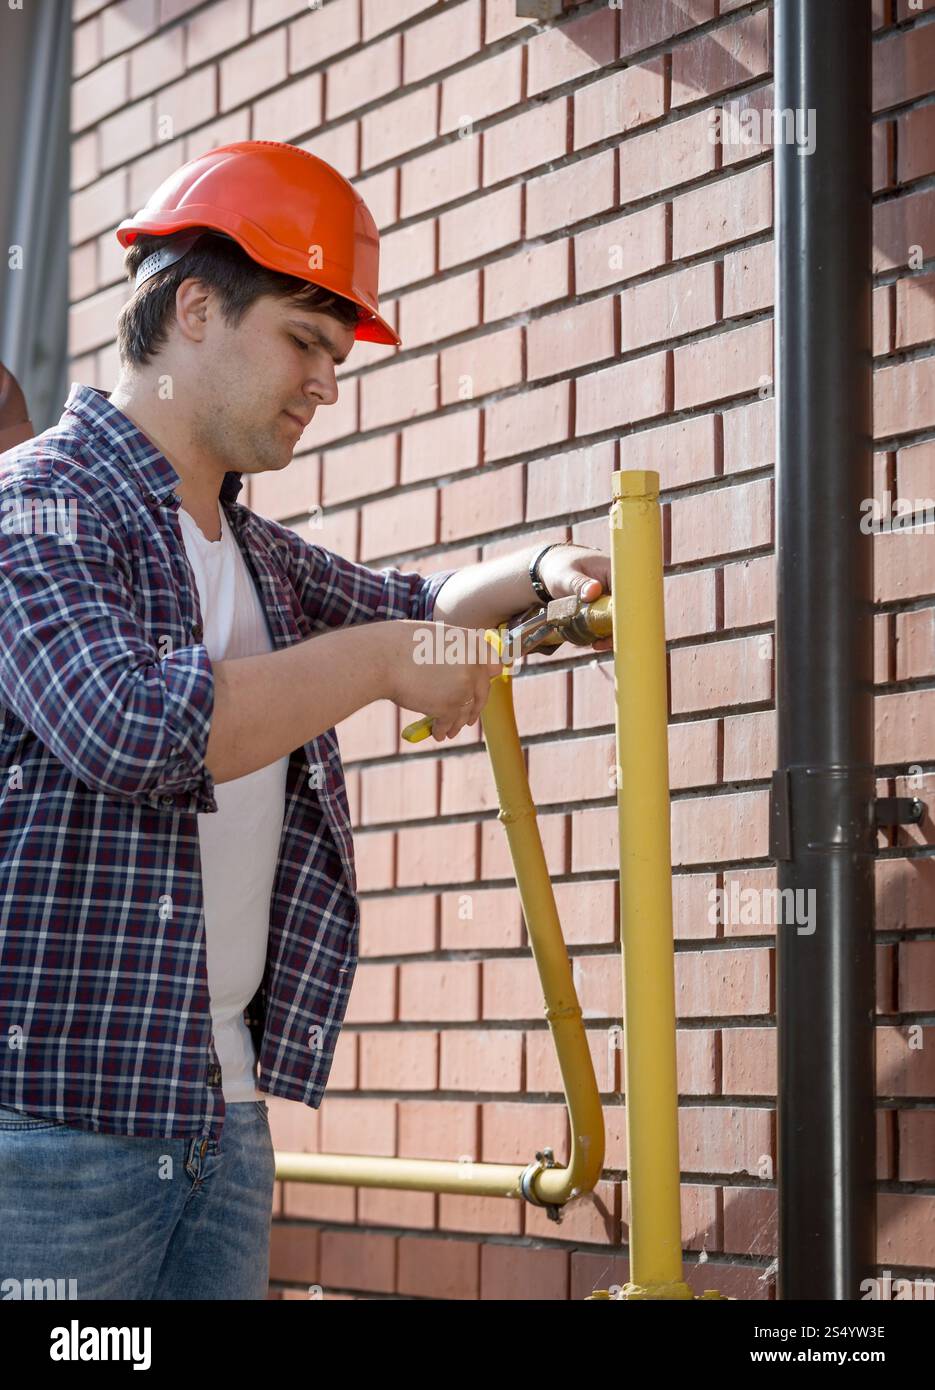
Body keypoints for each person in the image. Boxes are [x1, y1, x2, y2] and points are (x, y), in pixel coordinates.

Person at [0, 140, 612, 1299]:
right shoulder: (33, 504)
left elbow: (417, 605)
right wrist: (378, 663)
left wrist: (542, 570)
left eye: (336, 356)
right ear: (194, 308)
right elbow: (129, 724)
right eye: (304, 341)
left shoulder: (257, 555)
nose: (326, 384)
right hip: (49, 1130)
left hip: (221, 1119)